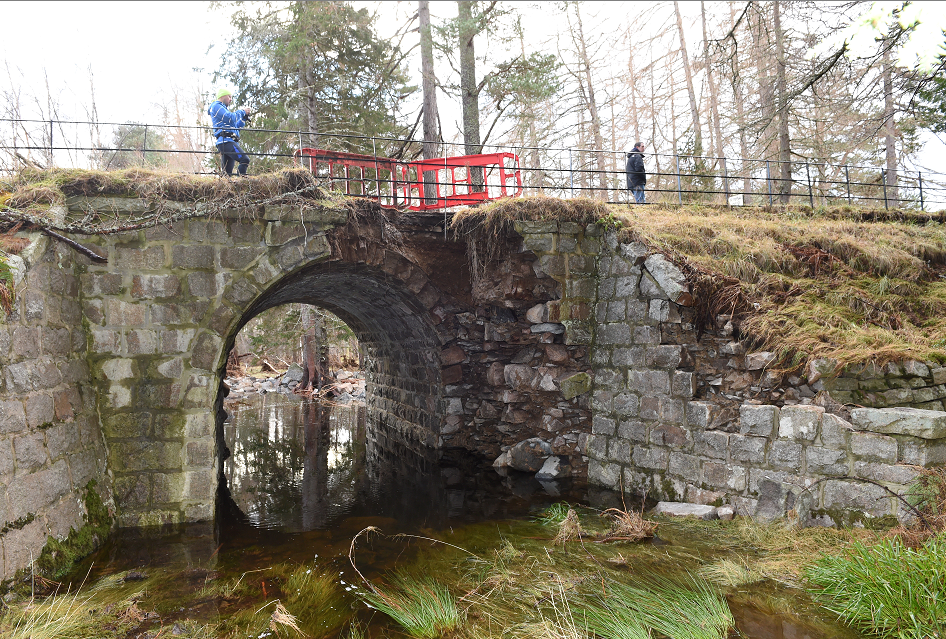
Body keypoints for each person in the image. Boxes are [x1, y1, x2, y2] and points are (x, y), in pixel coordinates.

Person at [208, 89, 253, 177]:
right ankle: (241, 183)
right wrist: (242, 111)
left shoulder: (224, 110)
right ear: (222, 96)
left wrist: (243, 119)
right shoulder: (216, 105)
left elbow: (236, 127)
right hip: (226, 142)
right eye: (229, 96)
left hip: (228, 142)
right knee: (244, 160)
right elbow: (230, 118)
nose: (231, 99)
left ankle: (226, 188)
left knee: (227, 174)